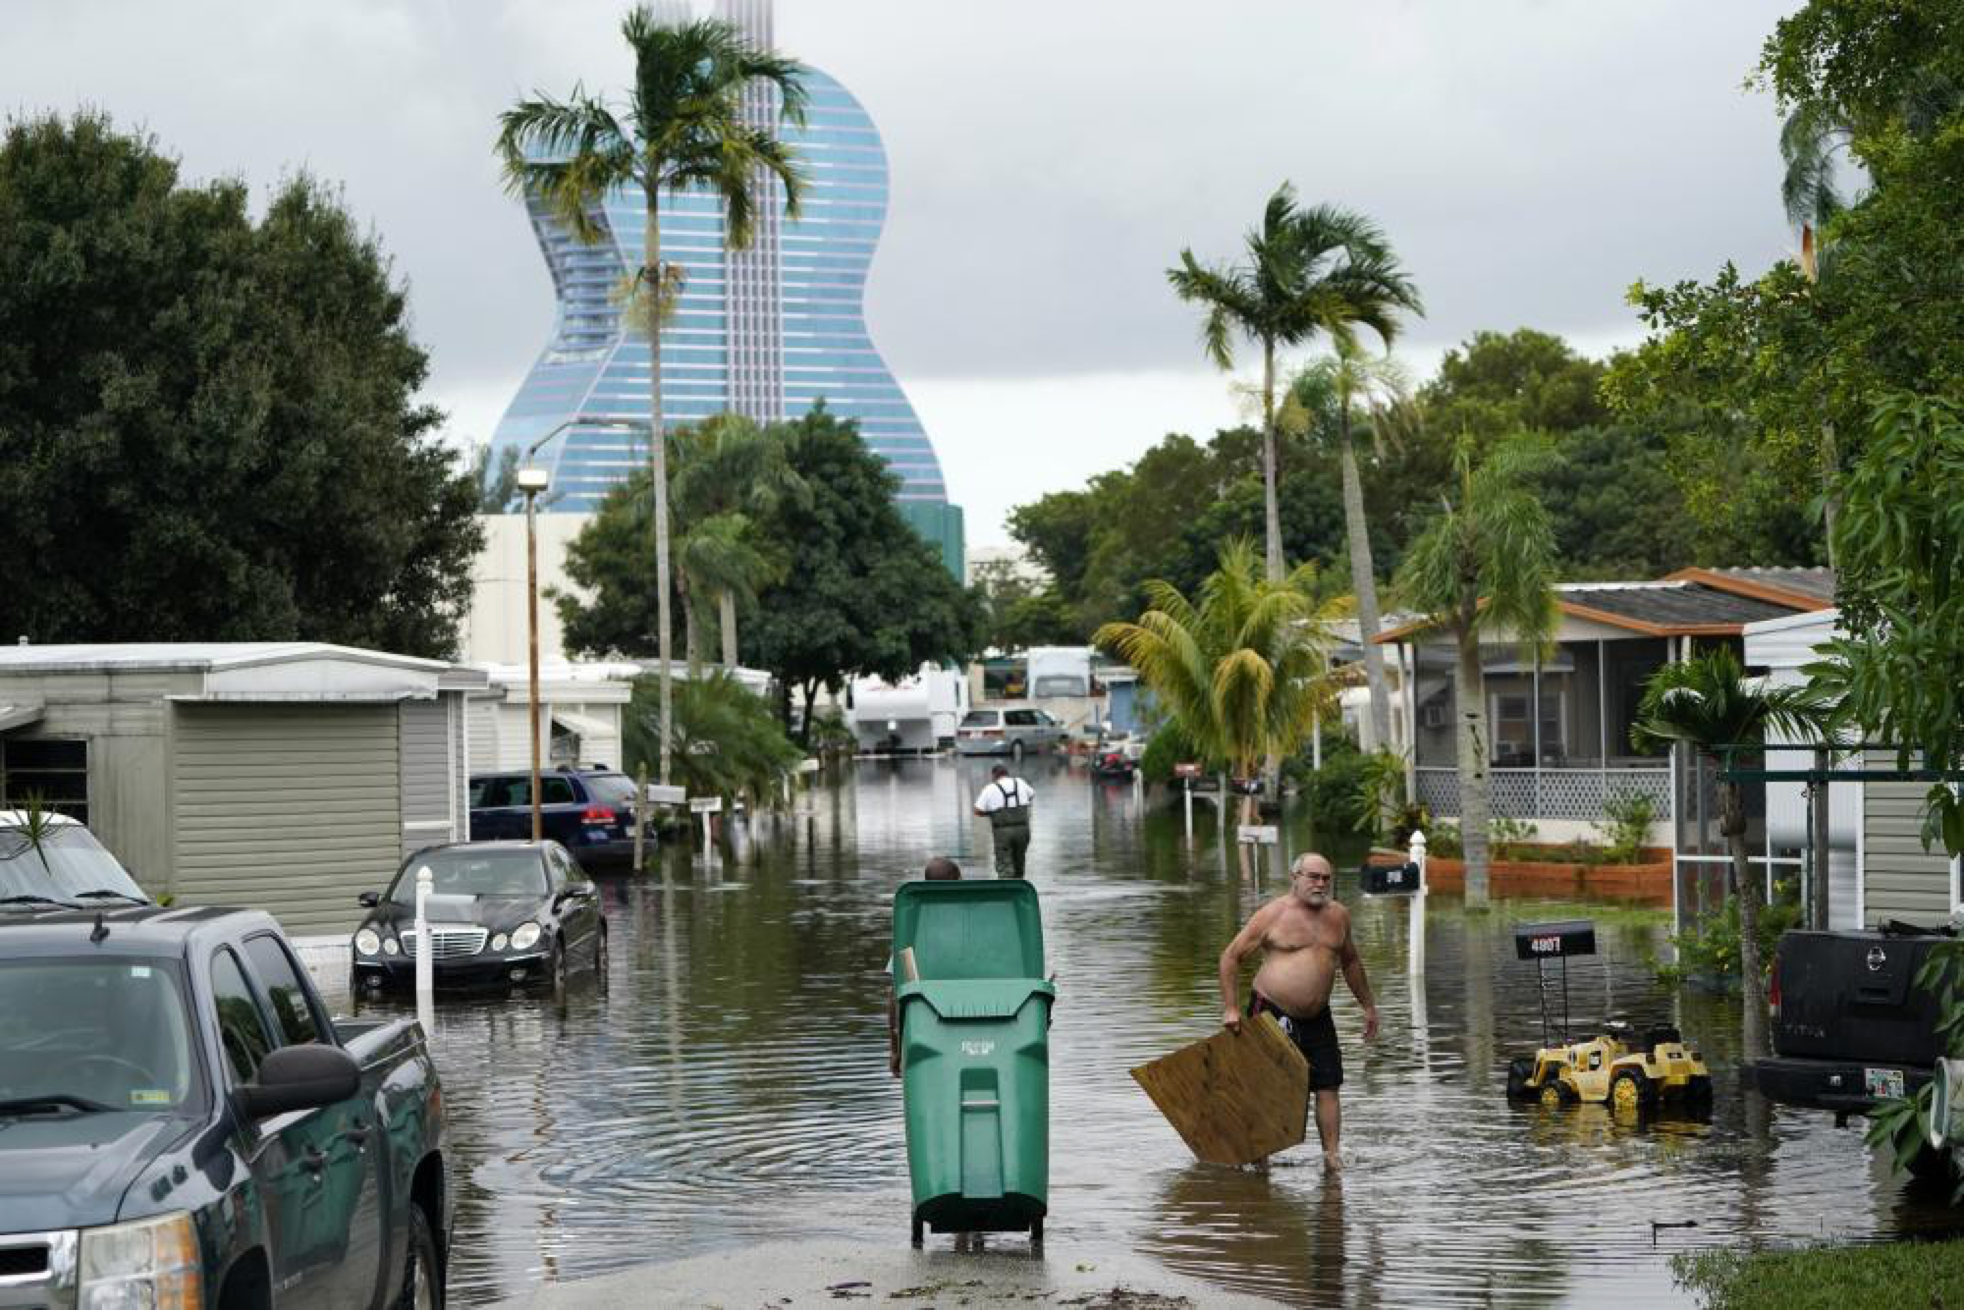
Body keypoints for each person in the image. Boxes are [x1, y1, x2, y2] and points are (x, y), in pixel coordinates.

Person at [1218, 851, 1379, 1170]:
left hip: (1318, 1016)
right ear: (1296, 878)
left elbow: (1350, 961)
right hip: (1271, 1011)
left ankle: (1332, 1160)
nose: (1321, 884)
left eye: (1326, 879)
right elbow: (1230, 958)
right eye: (1314, 877)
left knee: (1328, 1085)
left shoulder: (1339, 916)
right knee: (1266, 1088)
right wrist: (1231, 1009)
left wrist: (1368, 1006)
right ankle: (1259, 1162)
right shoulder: (1272, 915)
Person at [889, 856, 961, 1076]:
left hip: (926, 1030)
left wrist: (896, 1050)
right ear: (959, 882)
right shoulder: (977, 919)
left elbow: (895, 992)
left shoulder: (913, 925)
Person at [972, 764, 1035, 878]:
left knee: (1005, 866)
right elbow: (1031, 795)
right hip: (1023, 830)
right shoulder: (1020, 782)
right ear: (1007, 774)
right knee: (1019, 863)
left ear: (994, 776)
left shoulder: (990, 788)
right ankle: (1019, 889)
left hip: (1003, 833)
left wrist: (991, 812)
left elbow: (977, 811)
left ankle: (1006, 891)